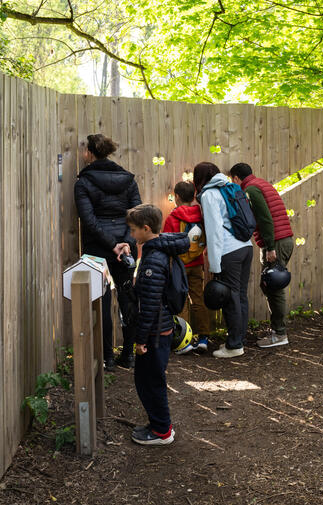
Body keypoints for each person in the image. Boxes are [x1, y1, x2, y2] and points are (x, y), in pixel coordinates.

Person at [118, 204, 189, 445]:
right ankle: (159, 423)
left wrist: (140, 340)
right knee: (148, 379)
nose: (131, 234)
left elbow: (149, 305)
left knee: (150, 381)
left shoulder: (153, 261)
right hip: (159, 328)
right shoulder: (159, 247)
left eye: (134, 230)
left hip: (155, 332)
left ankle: (162, 432)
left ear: (146, 228)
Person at [74, 134, 142, 371]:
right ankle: (129, 355)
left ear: (89, 153)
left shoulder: (83, 182)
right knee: (127, 297)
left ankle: (107, 358)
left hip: (97, 248)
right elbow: (137, 213)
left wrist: (111, 243)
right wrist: (123, 242)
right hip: (125, 246)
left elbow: (89, 220)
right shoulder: (128, 180)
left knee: (101, 300)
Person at [230, 162, 294, 348]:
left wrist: (270, 247)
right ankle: (278, 331)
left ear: (236, 178)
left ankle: (280, 334)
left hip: (276, 242)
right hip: (282, 239)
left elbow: (265, 218)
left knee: (274, 286)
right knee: (270, 286)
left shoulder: (251, 190)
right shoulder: (261, 183)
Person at [194, 162, 253, 358]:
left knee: (231, 299)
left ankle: (234, 345)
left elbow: (214, 231)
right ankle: (239, 339)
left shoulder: (210, 194)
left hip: (229, 251)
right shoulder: (230, 187)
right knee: (240, 295)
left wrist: (215, 264)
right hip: (246, 247)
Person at [163, 181, 213, 353]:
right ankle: (204, 338)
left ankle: (184, 340)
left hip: (179, 266)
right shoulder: (201, 215)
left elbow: (167, 243)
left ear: (176, 197)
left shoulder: (172, 218)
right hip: (197, 263)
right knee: (198, 299)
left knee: (181, 301)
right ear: (193, 196)